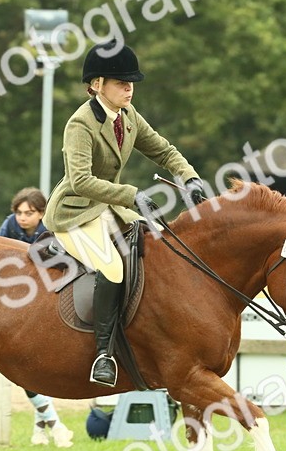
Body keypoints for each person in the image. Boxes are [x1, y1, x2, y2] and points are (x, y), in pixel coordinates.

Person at [43, 40, 208, 387]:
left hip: (108, 206)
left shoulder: (128, 116)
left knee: (159, 242)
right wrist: (132, 195)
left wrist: (190, 177)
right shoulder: (80, 124)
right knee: (112, 268)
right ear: (97, 84)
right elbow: (81, 181)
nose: (129, 88)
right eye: (121, 83)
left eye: (131, 82)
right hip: (75, 212)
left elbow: (164, 151)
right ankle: (104, 354)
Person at [0, 187, 73, 447]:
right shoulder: (9, 226)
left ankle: (43, 429)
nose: (22, 217)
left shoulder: (52, 230)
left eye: (28, 213)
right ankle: (54, 424)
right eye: (19, 212)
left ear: (41, 213)